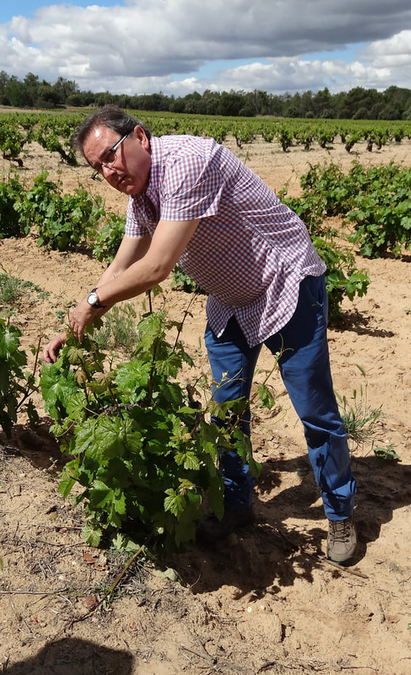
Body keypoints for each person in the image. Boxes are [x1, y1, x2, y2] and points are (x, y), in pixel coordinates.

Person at [41, 105, 358, 564]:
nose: (109, 172)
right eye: (98, 168)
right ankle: (236, 505)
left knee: (314, 410)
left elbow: (157, 266)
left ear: (140, 137)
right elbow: (120, 266)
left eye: (110, 155)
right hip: (231, 299)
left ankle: (340, 512)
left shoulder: (189, 162)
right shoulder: (141, 196)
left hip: (285, 283)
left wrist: (94, 302)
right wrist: (72, 325)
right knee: (226, 410)